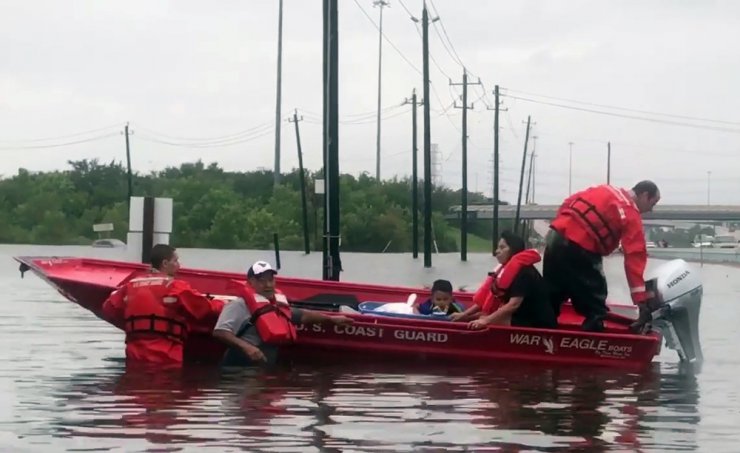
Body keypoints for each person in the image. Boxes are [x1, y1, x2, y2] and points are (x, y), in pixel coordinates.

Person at [544, 181, 661, 332]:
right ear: (645, 195)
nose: (651, 210)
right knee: (595, 304)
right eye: (653, 203)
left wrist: (561, 226)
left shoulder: (605, 189)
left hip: (556, 238)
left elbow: (568, 202)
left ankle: (540, 336)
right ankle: (592, 345)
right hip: (581, 245)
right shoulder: (630, 212)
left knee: (552, 294)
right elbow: (634, 256)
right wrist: (641, 302)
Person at [212, 260, 354, 366]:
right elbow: (220, 332)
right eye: (262, 281)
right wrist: (247, 348)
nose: (268, 285)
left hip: (263, 369)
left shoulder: (276, 304)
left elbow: (302, 315)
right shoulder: (238, 305)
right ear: (251, 282)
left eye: (270, 280)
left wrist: (332, 320)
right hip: (239, 369)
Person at [101, 244, 224, 366]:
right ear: (165, 263)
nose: (179, 265)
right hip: (166, 357)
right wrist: (224, 305)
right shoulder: (175, 287)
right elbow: (205, 308)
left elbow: (108, 309)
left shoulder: (130, 286)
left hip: (135, 357)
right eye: (175, 260)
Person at [466, 231, 557, 329]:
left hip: (537, 323)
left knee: (487, 320)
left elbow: (513, 305)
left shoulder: (524, 272)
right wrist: (463, 315)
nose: (497, 251)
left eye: (502, 247)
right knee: (482, 317)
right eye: (498, 247)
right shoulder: (505, 271)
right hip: (521, 317)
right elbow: (487, 299)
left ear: (514, 250)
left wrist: (485, 320)